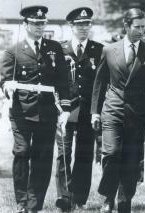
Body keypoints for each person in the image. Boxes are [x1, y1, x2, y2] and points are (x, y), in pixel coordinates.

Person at [0, 5, 70, 213]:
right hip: (21, 110)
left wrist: (65, 109)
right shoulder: (13, 50)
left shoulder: (54, 48)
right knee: (22, 152)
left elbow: (63, 82)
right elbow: (4, 79)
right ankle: (22, 201)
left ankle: (34, 204)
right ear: (25, 24)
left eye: (42, 23)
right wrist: (7, 86)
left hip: (47, 111)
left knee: (42, 156)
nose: (39, 27)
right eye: (35, 23)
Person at [91, 8, 145, 213]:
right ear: (126, 26)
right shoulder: (109, 50)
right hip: (113, 109)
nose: (142, 30)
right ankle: (108, 195)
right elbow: (99, 82)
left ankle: (124, 200)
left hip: (138, 112)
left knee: (131, 158)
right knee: (112, 153)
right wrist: (95, 112)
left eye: (144, 27)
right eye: (137, 26)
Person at [54, 7, 104, 212]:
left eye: (87, 24)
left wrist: (97, 111)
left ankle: (80, 197)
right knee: (64, 152)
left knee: (84, 154)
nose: (84, 28)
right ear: (71, 26)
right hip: (65, 111)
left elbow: (101, 83)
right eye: (79, 25)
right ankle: (64, 197)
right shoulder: (59, 49)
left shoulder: (98, 50)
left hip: (87, 111)